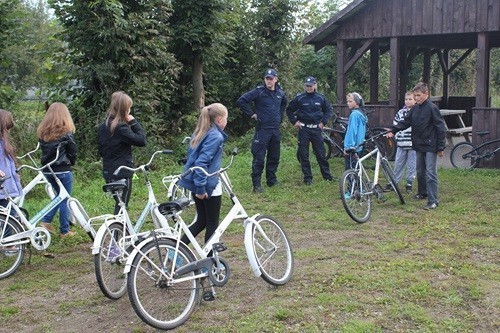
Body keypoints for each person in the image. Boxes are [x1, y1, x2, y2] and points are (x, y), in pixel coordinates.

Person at [388, 82, 446, 210]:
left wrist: (441, 147)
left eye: (418, 95)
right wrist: (393, 130)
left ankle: (433, 200)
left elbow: (441, 127)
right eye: (415, 96)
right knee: (420, 171)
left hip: (431, 146)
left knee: (431, 173)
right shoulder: (415, 108)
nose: (416, 98)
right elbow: (405, 122)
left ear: (426, 94)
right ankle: (422, 193)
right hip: (418, 145)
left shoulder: (432, 108)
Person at [178, 103, 228, 248]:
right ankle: (211, 260)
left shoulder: (200, 131)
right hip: (207, 184)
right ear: (219, 119)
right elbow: (201, 162)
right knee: (212, 223)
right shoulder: (215, 136)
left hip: (194, 181)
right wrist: (201, 189)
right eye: (226, 118)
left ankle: (176, 250)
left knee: (202, 221)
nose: (226, 122)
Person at [237, 68, 288, 193]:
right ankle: (257, 184)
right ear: (264, 79)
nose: (269, 81)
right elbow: (241, 101)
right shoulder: (259, 92)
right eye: (267, 78)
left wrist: (280, 116)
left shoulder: (280, 93)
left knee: (274, 156)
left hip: (275, 130)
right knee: (259, 157)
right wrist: (251, 114)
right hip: (262, 130)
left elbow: (284, 104)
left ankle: (271, 180)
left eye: (271, 79)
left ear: (276, 79)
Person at [98, 91, 146, 214]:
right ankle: (119, 232)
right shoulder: (120, 127)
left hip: (108, 171)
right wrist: (133, 122)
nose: (130, 110)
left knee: (120, 204)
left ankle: (122, 230)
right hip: (123, 172)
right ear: (125, 109)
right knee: (122, 206)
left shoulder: (103, 126)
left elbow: (101, 151)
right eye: (129, 107)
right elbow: (141, 140)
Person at [37, 102, 78, 238]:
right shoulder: (66, 133)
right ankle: (64, 231)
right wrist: (71, 163)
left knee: (58, 197)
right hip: (62, 170)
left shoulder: (43, 132)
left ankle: (47, 221)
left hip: (48, 170)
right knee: (65, 199)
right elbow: (73, 151)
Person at [286, 76, 334, 185]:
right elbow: (289, 110)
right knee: (304, 154)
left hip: (316, 129)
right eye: (307, 86)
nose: (309, 88)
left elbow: (328, 110)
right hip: (304, 129)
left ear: (315, 85)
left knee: (321, 154)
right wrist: (294, 122)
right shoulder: (300, 98)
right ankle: (308, 178)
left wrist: (323, 122)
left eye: (310, 86)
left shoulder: (321, 98)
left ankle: (327, 175)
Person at [0, 110, 23, 254]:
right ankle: (9, 245)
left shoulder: (3, 142)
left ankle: (11, 240)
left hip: (7, 184)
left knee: (11, 213)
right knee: (8, 216)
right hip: (3, 187)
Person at [386, 91, 417, 192]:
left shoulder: (417, 112)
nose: (408, 101)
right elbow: (396, 124)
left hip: (413, 144)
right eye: (406, 99)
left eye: (410, 99)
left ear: (415, 100)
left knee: (412, 164)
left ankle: (409, 182)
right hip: (401, 143)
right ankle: (394, 182)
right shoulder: (400, 112)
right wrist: (398, 135)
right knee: (398, 163)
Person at [343, 92, 368, 170]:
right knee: (357, 168)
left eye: (350, 101)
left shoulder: (354, 115)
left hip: (352, 147)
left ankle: (352, 182)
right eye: (347, 101)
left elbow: (352, 131)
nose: (348, 103)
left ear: (357, 102)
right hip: (359, 145)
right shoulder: (362, 113)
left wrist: (348, 147)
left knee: (350, 169)